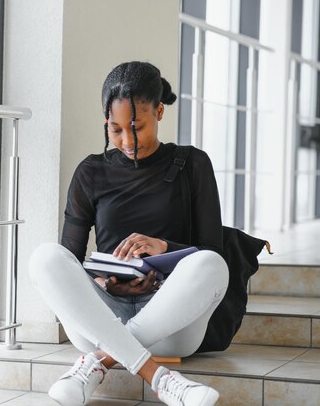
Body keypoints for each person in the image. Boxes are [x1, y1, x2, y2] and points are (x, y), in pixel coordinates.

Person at [28, 61, 229, 406]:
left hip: (172, 326)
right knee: (44, 258)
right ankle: (162, 380)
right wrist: (106, 282)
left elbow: (212, 248)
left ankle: (98, 363)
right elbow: (69, 259)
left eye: (137, 127)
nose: (127, 140)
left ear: (160, 112)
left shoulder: (192, 164)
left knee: (211, 263)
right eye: (115, 129)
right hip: (104, 315)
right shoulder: (91, 172)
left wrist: (163, 247)